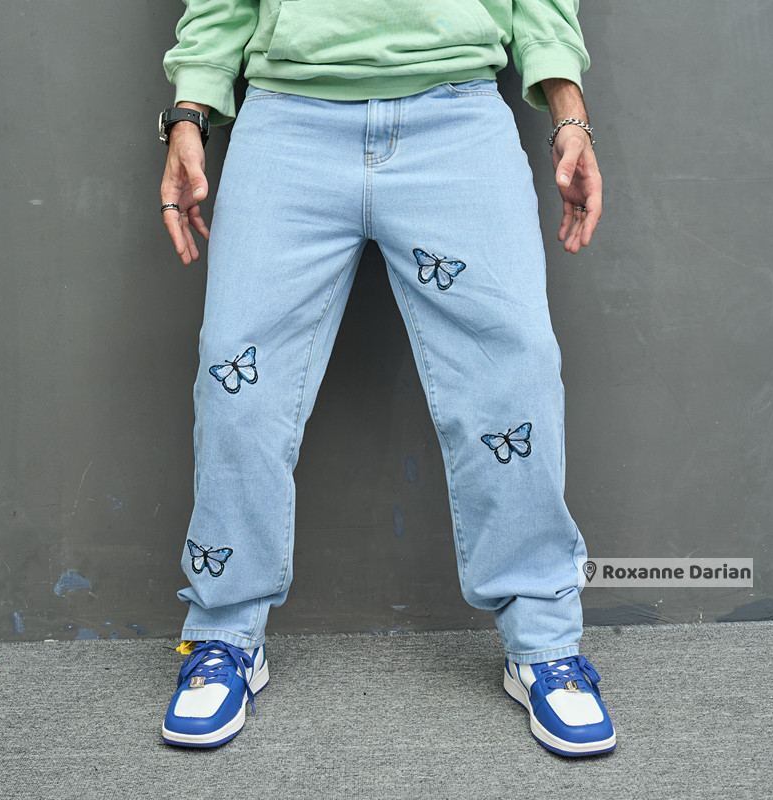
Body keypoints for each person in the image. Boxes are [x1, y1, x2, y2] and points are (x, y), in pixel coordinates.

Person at [157, 0, 614, 757]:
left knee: (516, 373)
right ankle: (223, 635)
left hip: (457, 116)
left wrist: (570, 114)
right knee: (236, 378)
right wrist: (188, 116)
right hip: (288, 119)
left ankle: (544, 642)